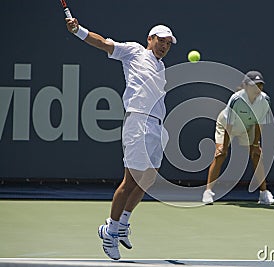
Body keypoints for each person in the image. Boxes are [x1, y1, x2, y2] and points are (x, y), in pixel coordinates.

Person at [65, 18, 177, 260]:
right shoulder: (135, 52)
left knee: (148, 178)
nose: (164, 46)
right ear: (150, 39)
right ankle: (111, 230)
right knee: (130, 181)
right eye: (160, 41)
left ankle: (122, 223)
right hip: (138, 122)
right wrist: (78, 31)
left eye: (168, 44)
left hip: (157, 126)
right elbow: (104, 44)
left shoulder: (161, 66)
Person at [202, 71, 274, 205]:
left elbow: (259, 124)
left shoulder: (265, 100)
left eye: (260, 85)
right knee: (220, 155)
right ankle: (208, 192)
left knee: (257, 155)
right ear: (246, 86)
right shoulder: (236, 99)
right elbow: (228, 125)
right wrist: (224, 147)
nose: (258, 89)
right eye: (254, 85)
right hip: (226, 125)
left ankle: (264, 194)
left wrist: (255, 145)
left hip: (248, 127)